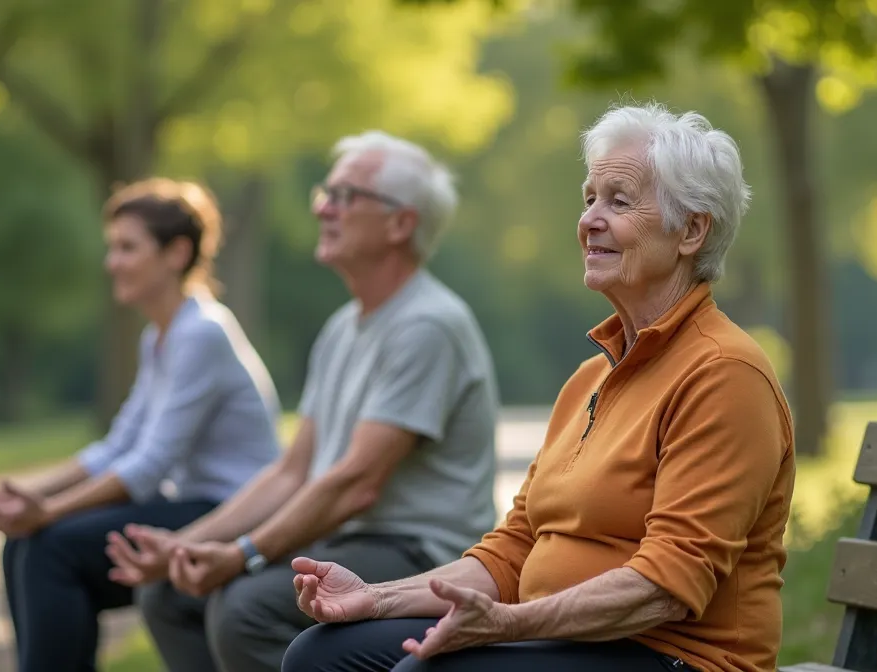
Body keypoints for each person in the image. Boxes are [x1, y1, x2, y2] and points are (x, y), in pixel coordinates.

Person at [280, 102, 798, 672]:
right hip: (562, 641)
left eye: (619, 201)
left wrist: (506, 625)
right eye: (589, 199)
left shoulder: (724, 373)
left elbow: (665, 586)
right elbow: (513, 549)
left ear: (691, 230)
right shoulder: (589, 380)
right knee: (321, 656)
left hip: (674, 657)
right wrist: (374, 598)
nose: (590, 220)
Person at [104, 131, 501, 672]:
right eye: (325, 193)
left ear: (400, 223)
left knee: (246, 608)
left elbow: (357, 483)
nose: (322, 207)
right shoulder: (343, 327)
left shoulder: (427, 324)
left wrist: (243, 553)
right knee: (170, 594)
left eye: (344, 197)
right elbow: (292, 471)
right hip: (353, 537)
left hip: (420, 550)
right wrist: (183, 547)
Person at [0, 178, 282, 672]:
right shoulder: (161, 337)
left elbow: (147, 467)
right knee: (24, 544)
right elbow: (119, 444)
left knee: (51, 550)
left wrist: (49, 513)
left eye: (128, 247)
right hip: (192, 502)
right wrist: (27, 496)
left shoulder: (202, 333)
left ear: (176, 253)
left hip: (232, 512)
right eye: (112, 248)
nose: (112, 263)